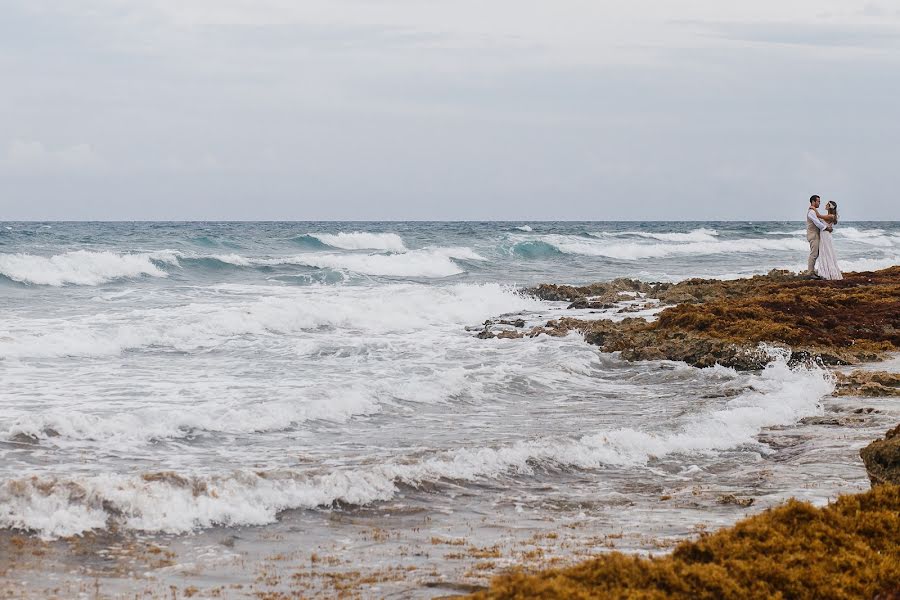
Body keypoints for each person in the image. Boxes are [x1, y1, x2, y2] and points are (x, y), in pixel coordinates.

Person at [815, 201, 842, 280]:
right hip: (825, 235)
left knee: (827, 253)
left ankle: (828, 273)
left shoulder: (830, 216)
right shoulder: (829, 215)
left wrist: (813, 208)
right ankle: (826, 272)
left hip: (826, 235)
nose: (825, 205)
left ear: (830, 206)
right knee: (825, 252)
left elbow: (818, 215)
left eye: (827, 204)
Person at [806, 195, 832, 276]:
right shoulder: (811, 211)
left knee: (816, 254)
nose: (819, 203)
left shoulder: (814, 211)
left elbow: (819, 220)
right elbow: (817, 223)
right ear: (813, 202)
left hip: (815, 235)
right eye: (818, 201)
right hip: (813, 235)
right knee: (813, 254)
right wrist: (826, 228)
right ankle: (810, 273)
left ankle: (813, 271)